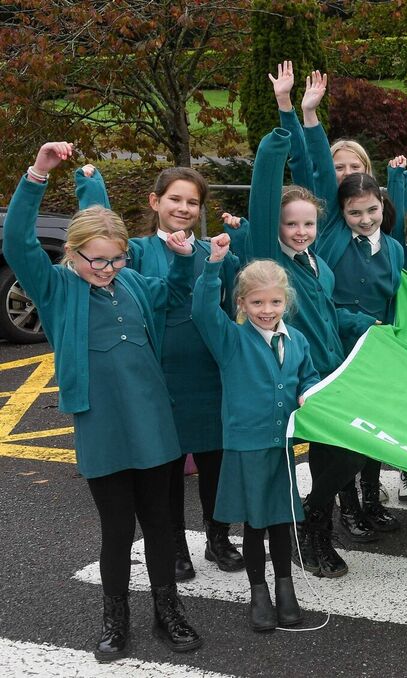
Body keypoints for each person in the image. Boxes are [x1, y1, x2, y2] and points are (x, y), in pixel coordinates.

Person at [4, 142, 203, 660]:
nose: (108, 268)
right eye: (97, 259)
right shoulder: (56, 288)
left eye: (117, 258)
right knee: (117, 530)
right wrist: (37, 174)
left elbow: (174, 295)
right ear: (71, 254)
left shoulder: (132, 282)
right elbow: (17, 241)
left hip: (155, 425)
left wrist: (183, 263)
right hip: (102, 428)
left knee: (159, 525)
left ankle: (168, 611)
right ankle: (116, 619)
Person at [74, 162, 245, 580]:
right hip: (160, 374)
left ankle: (218, 536)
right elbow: (99, 233)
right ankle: (173, 545)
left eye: (192, 202)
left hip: (209, 373)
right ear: (155, 201)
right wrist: (91, 184)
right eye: (175, 199)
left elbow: (230, 310)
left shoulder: (214, 253)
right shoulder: (134, 252)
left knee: (216, 460)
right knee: (166, 468)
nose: (183, 208)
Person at [230, 123, 377, 579]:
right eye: (290, 224)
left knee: (345, 452)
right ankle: (307, 529)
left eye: (308, 223)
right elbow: (262, 200)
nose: (300, 231)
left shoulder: (319, 264)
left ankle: (314, 521)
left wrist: (372, 325)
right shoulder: (270, 261)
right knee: (319, 456)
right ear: (276, 226)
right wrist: (276, 145)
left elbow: (329, 316)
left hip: (328, 373)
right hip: (289, 377)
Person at [192, 239, 321, 632]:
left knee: (281, 521)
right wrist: (213, 265)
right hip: (246, 447)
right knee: (255, 523)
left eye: (275, 302)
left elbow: (309, 376)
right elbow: (202, 311)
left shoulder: (297, 340)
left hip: (281, 447)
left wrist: (308, 392)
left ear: (286, 301)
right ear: (242, 304)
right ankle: (258, 591)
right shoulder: (231, 340)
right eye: (257, 303)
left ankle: (286, 587)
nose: (267, 310)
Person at [299, 83, 407, 539]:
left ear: (381, 205)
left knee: (373, 425)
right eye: (354, 213)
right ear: (341, 213)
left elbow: (399, 299)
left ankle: (370, 500)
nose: (364, 220)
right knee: (343, 432)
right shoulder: (331, 234)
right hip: (338, 346)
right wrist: (308, 116)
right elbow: (317, 166)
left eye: (371, 211)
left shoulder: (395, 248)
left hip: (376, 350)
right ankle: (344, 508)